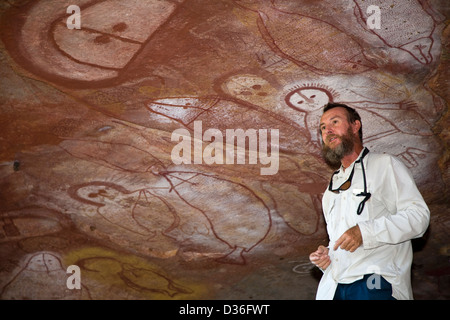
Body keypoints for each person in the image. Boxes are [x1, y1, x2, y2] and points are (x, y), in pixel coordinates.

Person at [309, 102, 430, 300]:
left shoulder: (384, 164)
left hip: (375, 282)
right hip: (334, 288)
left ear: (355, 126)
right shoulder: (330, 192)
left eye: (335, 122)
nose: (327, 130)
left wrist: (364, 231)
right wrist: (328, 257)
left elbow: (419, 217)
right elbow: (342, 243)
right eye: (322, 127)